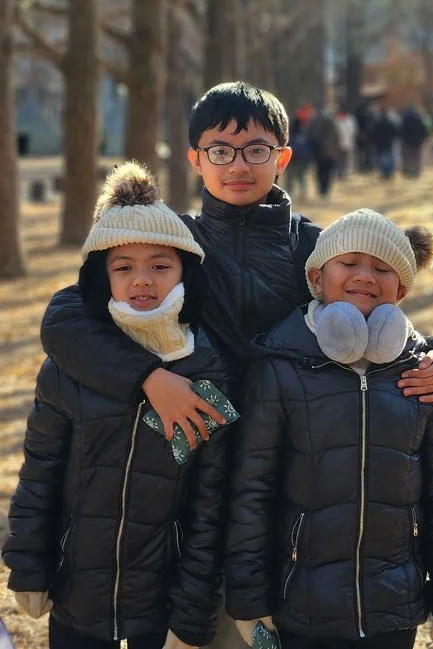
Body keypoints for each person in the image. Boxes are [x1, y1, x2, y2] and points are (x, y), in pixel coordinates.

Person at [39, 83, 433, 649]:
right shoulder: (175, 242)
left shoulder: (316, 249)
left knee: (260, 629)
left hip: (287, 482)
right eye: (220, 150)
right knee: (189, 625)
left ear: (284, 157)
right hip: (186, 472)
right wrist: (148, 379)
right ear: (194, 158)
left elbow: (380, 319)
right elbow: (67, 319)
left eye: (256, 150)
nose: (237, 165)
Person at [3, 163, 234, 649]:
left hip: (161, 599)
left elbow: (209, 507)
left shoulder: (208, 372)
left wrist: (191, 615)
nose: (142, 280)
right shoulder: (70, 365)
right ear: (100, 276)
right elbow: (40, 471)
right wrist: (28, 564)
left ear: (185, 272)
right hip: (77, 592)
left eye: (160, 264)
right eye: (123, 267)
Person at [225, 209, 433, 649]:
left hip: (393, 607)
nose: (365, 275)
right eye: (349, 263)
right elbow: (252, 488)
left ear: (400, 292)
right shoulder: (279, 368)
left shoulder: (423, 373)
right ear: (316, 278)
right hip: (301, 604)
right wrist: (248, 596)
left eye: (382, 268)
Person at [306, 107, 341, 197]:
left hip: (319, 153)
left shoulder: (315, 122)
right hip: (328, 153)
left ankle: (322, 189)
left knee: (320, 172)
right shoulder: (333, 124)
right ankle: (325, 190)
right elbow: (336, 139)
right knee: (327, 172)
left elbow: (310, 135)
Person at [369, 104, 400, 180]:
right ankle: (389, 172)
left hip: (380, 143)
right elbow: (395, 132)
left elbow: (373, 133)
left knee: (382, 159)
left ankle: (384, 173)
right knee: (389, 158)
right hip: (388, 143)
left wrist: (374, 140)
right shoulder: (390, 122)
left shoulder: (377, 122)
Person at [399, 105, 429, 178]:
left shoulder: (405, 119)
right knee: (416, 157)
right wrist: (422, 139)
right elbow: (424, 130)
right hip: (417, 141)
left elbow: (401, 130)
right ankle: (415, 172)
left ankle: (408, 172)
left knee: (407, 158)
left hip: (407, 141)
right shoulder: (418, 119)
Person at [334, 107, 357, 179]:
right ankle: (339, 173)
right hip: (338, 144)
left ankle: (344, 173)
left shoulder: (350, 121)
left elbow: (353, 132)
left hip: (347, 143)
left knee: (346, 160)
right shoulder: (336, 121)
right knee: (339, 160)